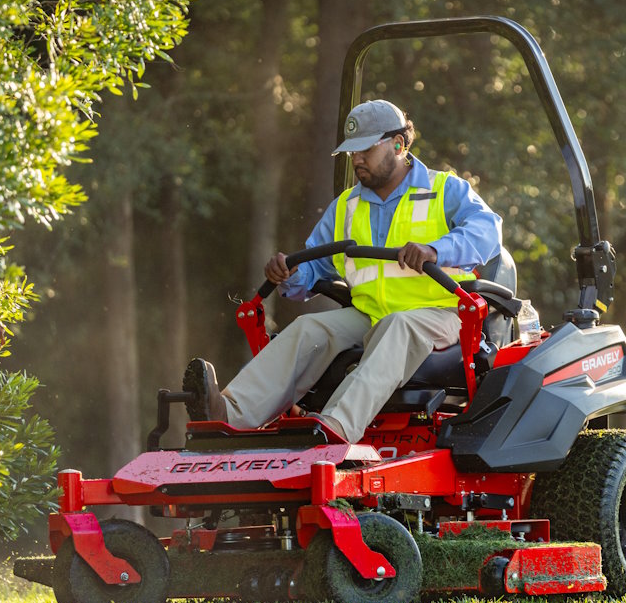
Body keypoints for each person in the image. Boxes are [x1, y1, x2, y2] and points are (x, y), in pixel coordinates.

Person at [183, 99, 503, 443]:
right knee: (308, 328)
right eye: (352, 152)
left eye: (365, 149)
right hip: (370, 315)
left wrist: (435, 250)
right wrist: (288, 273)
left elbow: (488, 232)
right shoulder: (345, 207)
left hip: (440, 315)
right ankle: (230, 415)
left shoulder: (445, 190)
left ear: (398, 144)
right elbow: (310, 271)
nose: (357, 159)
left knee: (398, 326)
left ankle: (333, 429)